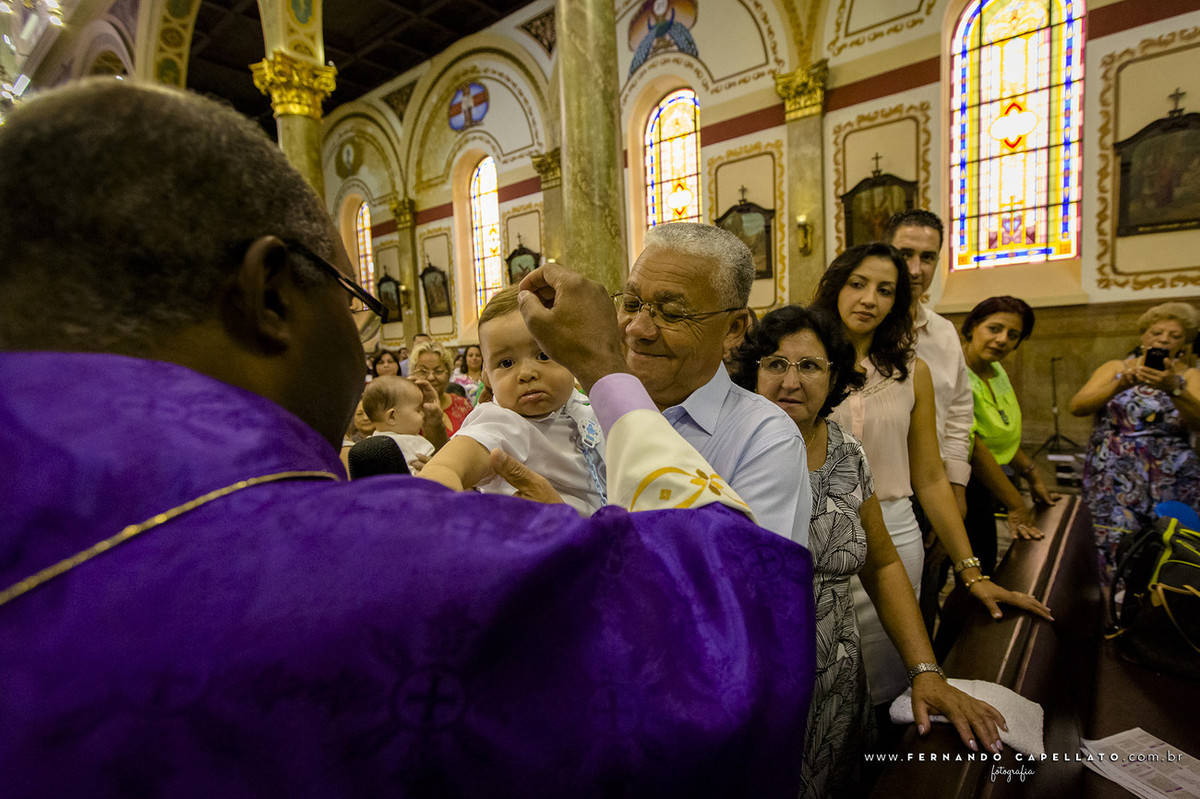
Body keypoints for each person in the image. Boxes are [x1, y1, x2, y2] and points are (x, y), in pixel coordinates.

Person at [0, 79, 820, 797]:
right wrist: (607, 372)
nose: (359, 338)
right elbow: (729, 633)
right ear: (271, 294)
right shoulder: (367, 557)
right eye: (354, 297)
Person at [734, 305, 1008, 796]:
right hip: (750, 673)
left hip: (836, 672)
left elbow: (881, 564)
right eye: (775, 363)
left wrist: (926, 672)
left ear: (835, 376)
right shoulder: (726, 448)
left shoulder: (845, 451)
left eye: (810, 365)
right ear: (752, 371)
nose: (791, 381)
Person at [814, 243, 1053, 705]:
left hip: (895, 536)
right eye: (858, 284)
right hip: (813, 533)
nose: (869, 299)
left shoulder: (911, 372)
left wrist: (972, 572)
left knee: (886, 686)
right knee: (819, 685)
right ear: (835, 287)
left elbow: (928, 477)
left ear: (898, 303)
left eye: (885, 290)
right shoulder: (802, 365)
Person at [618, 221, 812, 546]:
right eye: (631, 304)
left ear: (734, 328)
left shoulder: (766, 440)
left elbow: (734, 582)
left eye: (672, 313)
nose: (637, 328)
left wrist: (572, 536)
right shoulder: (586, 410)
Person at [422, 286, 607, 515]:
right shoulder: (502, 422)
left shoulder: (584, 405)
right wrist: (439, 482)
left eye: (543, 355)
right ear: (486, 376)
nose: (526, 373)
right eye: (506, 363)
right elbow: (453, 461)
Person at [885, 210, 974, 629]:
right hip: (873, 488)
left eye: (929, 257)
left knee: (922, 597)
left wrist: (956, 483)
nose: (916, 269)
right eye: (905, 254)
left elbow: (958, 414)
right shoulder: (853, 325)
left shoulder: (942, 333)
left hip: (929, 489)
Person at [1069, 301, 1200, 579]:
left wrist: (1175, 389)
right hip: (1114, 473)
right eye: (1157, 332)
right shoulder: (1116, 367)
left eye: (1174, 335)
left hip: (1173, 475)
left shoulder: (1190, 376)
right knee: (1112, 540)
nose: (1164, 339)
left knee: (1170, 539)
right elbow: (1078, 406)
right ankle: (1109, 608)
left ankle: (1159, 604)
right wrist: (1119, 384)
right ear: (1143, 336)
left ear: (1184, 342)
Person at [960, 297, 1057, 575]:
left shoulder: (995, 370)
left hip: (984, 484)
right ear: (973, 327)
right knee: (969, 568)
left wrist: (1032, 475)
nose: (1002, 340)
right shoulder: (955, 373)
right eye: (994, 329)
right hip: (958, 483)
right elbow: (975, 447)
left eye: (1013, 335)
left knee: (984, 563)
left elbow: (998, 435)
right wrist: (1016, 505)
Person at [359, 375, 439, 471]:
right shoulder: (399, 446)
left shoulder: (368, 446)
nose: (423, 414)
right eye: (418, 410)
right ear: (392, 416)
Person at [409, 338, 474, 435]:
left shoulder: (462, 404)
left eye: (438, 371)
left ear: (448, 373)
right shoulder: (408, 410)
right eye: (422, 371)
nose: (431, 377)